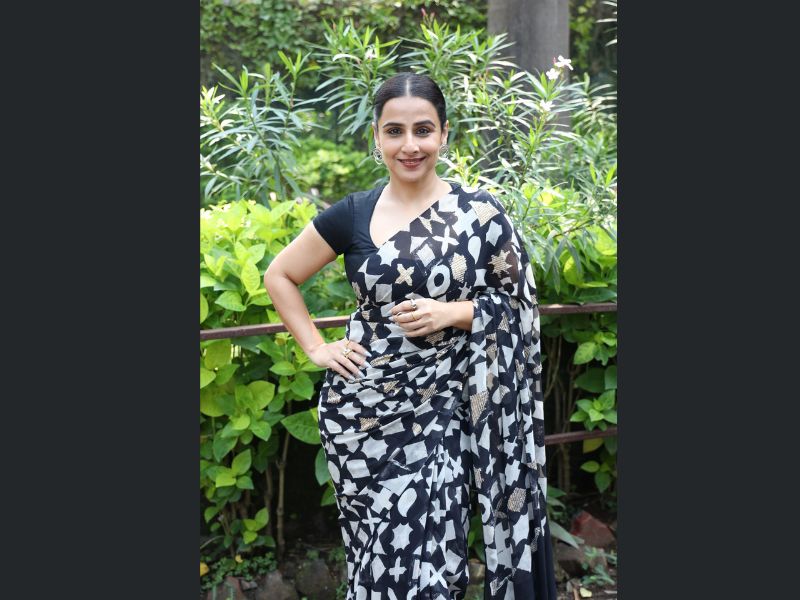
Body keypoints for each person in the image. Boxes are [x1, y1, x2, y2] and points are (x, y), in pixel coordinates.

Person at [264, 72, 557, 600]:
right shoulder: (353, 213)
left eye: (423, 130)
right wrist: (316, 347)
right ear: (376, 138)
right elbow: (280, 274)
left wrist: (453, 312)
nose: (410, 145)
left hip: (444, 413)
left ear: (444, 134)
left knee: (433, 561)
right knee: (376, 562)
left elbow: (519, 308)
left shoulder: (480, 215)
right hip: (361, 417)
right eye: (394, 131)